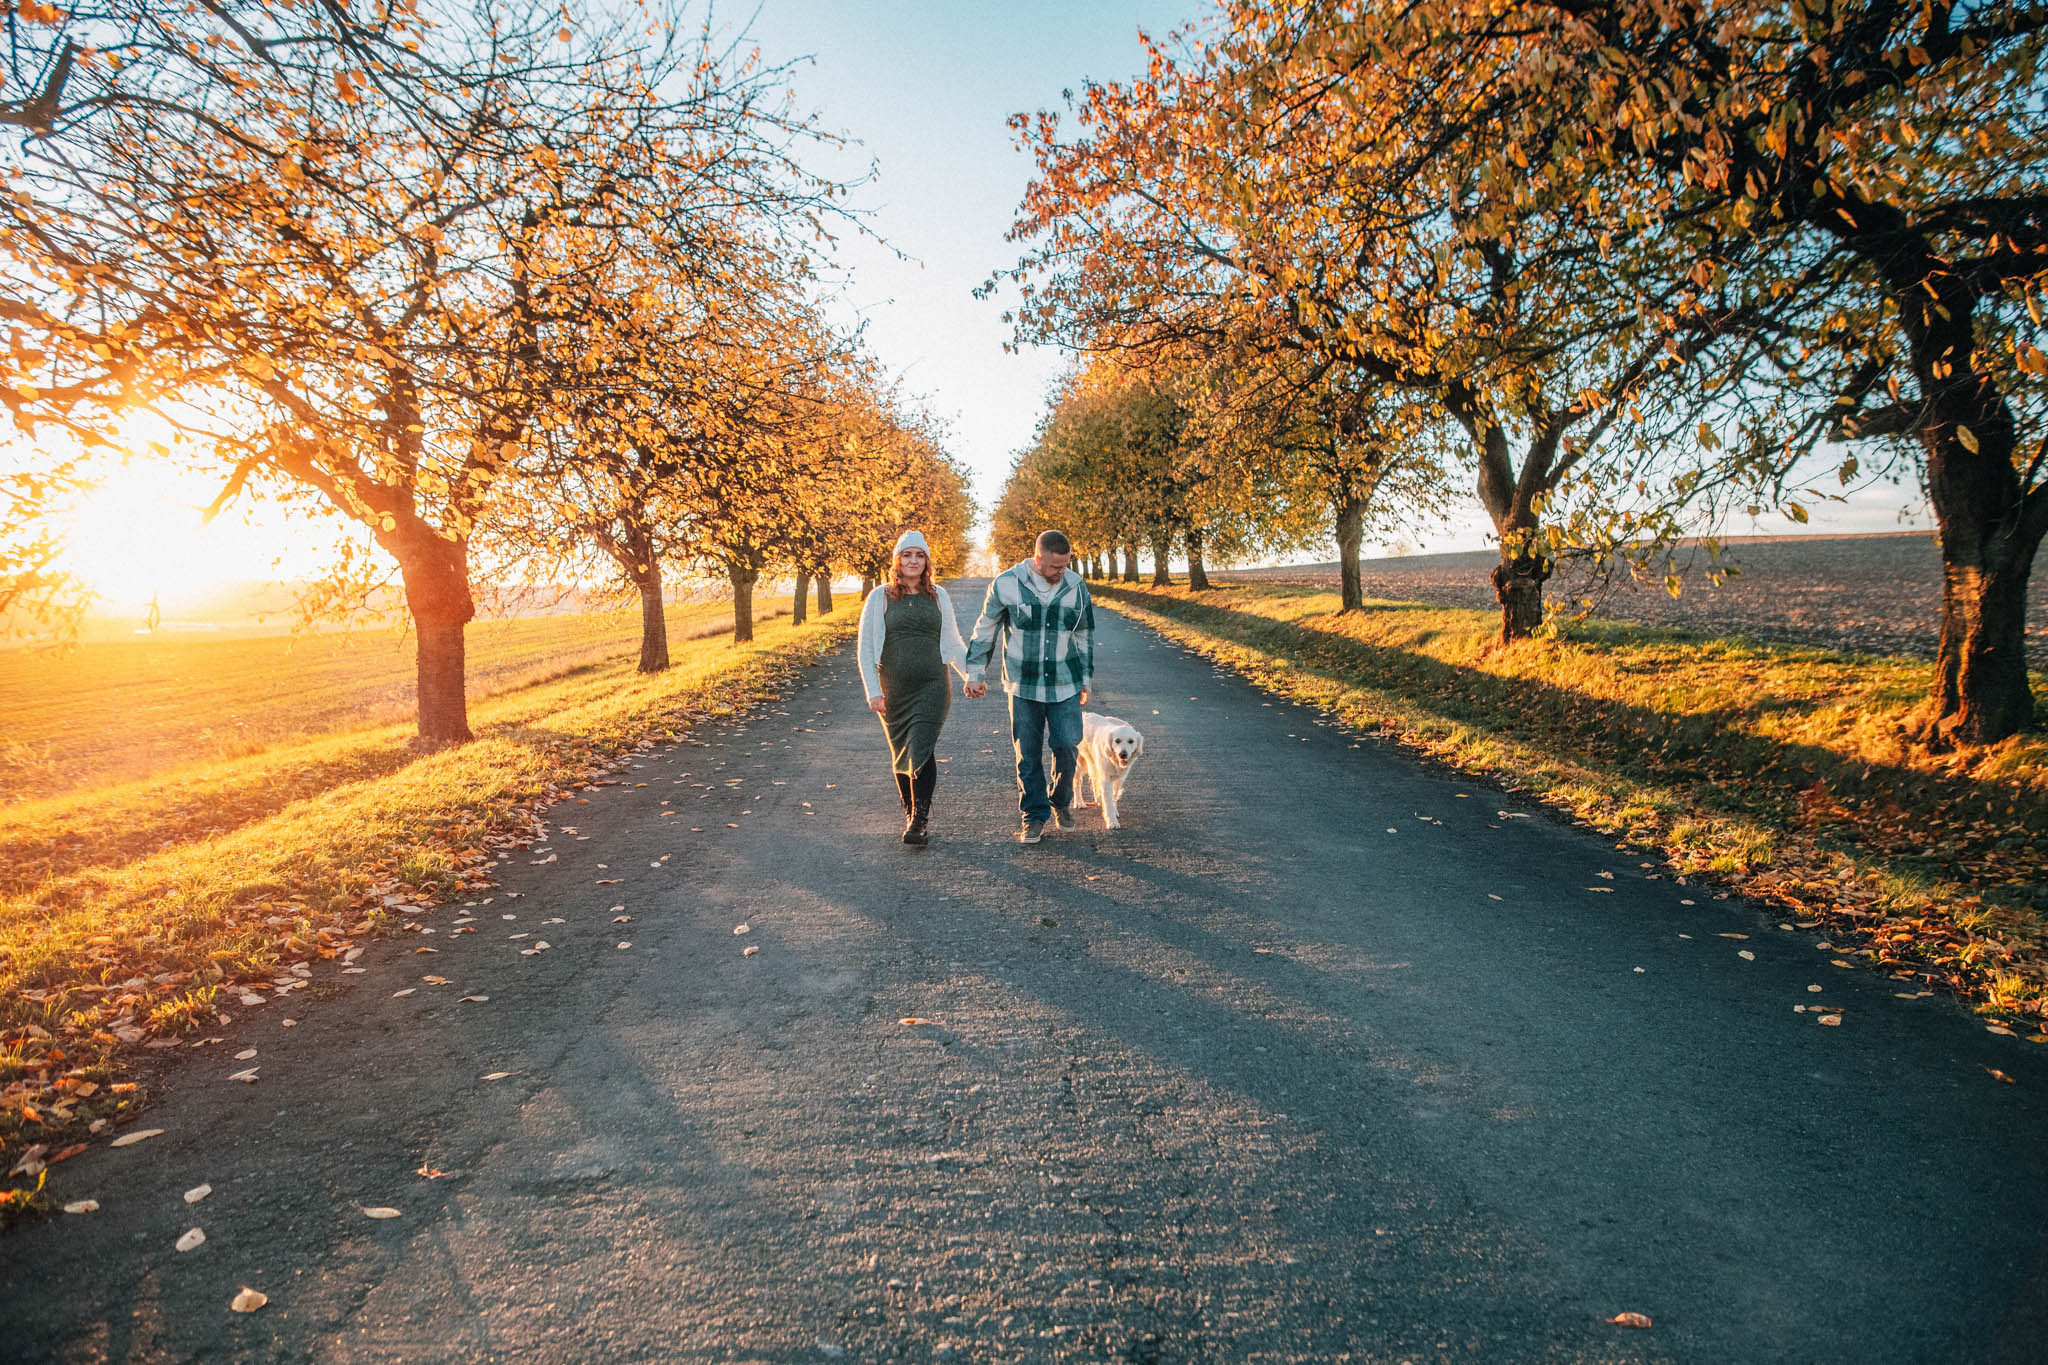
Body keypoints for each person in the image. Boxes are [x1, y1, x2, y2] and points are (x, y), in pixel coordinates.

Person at [963, 528, 1095, 844]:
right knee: (1028, 753)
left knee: (1067, 746)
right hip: (1023, 685)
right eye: (1054, 567)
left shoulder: (1076, 586)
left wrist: (1085, 678)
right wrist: (975, 672)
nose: (1060, 572)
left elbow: (1084, 634)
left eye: (1064, 565)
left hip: (1065, 682)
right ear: (1037, 559)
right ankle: (1033, 815)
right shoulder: (1006, 583)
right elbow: (986, 628)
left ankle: (1060, 802)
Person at [857, 530, 972, 846]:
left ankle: (919, 818)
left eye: (919, 555)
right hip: (893, 686)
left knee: (921, 744)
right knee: (901, 750)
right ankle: (911, 814)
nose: (913, 561)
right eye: (907, 555)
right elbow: (866, 648)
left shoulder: (938, 596)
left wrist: (971, 675)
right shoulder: (880, 596)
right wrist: (873, 691)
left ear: (926, 561)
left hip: (933, 683)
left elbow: (952, 641)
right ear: (897, 560)